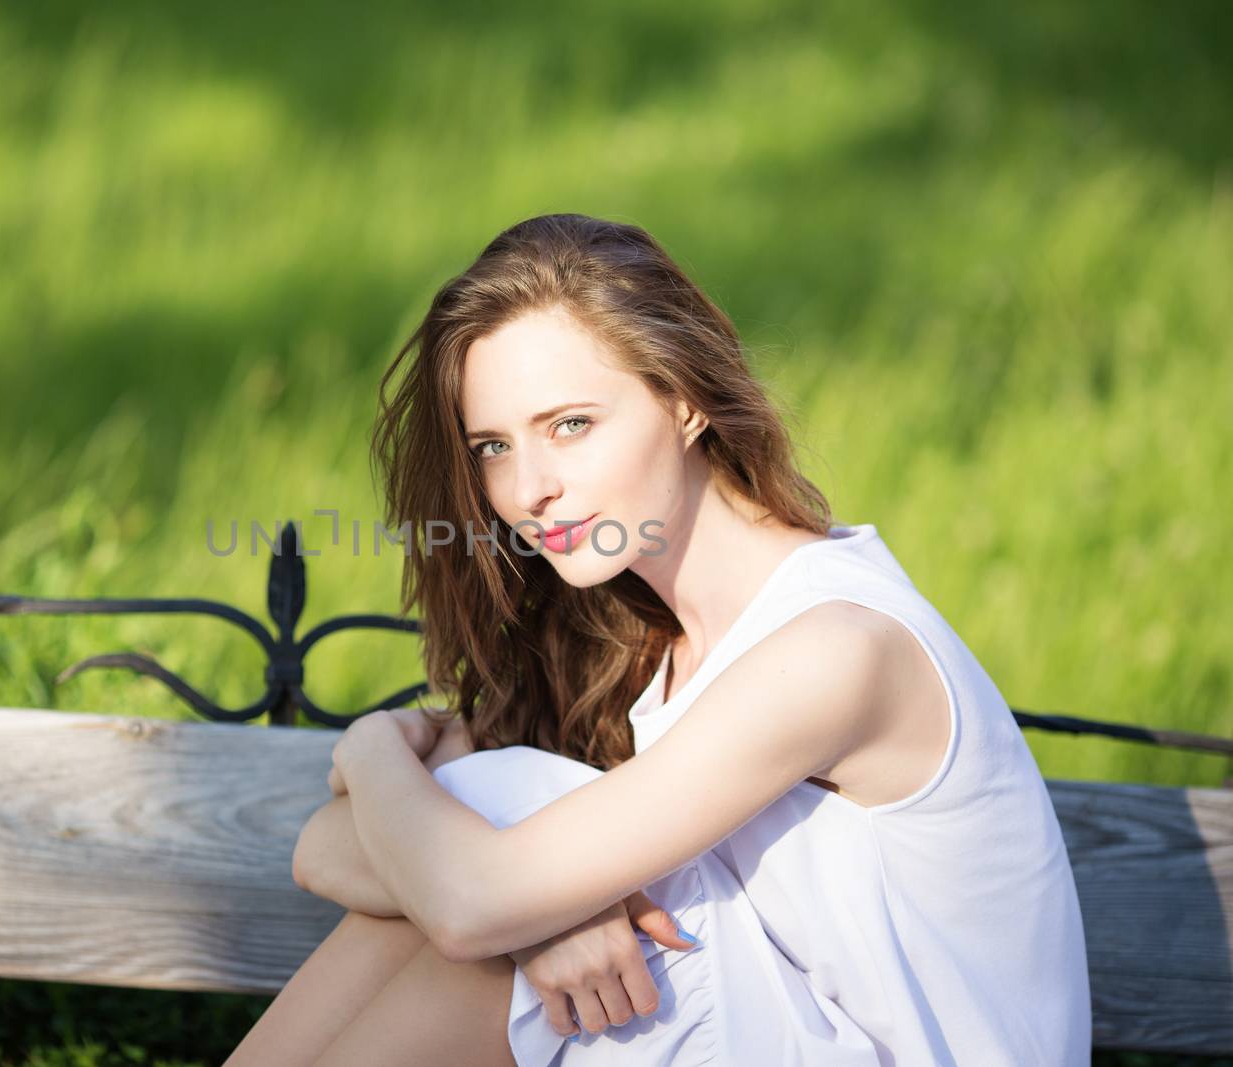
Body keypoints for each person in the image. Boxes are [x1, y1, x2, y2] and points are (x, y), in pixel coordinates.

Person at [225, 213, 1090, 1066]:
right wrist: (547, 916)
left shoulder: (834, 648)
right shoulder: (642, 640)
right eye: (493, 445)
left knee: (499, 904)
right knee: (496, 864)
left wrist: (378, 750)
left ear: (681, 400)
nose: (529, 489)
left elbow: (466, 900)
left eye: (570, 425)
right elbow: (329, 850)